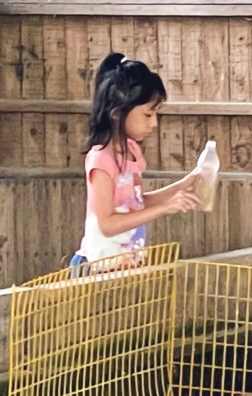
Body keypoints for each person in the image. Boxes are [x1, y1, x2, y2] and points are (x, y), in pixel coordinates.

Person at [69, 52, 202, 273]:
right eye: (147, 115)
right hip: (94, 268)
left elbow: (138, 203)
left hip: (124, 267)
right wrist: (165, 207)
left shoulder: (132, 152)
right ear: (116, 113)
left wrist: (184, 184)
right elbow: (107, 224)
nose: (154, 123)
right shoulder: (101, 159)